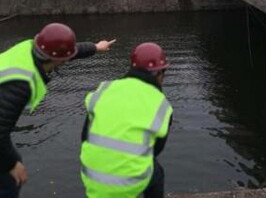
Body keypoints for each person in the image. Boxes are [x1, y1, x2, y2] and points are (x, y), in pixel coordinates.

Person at [0, 22, 116, 198]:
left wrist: (96, 47)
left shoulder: (30, 47)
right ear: (58, 59)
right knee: (10, 178)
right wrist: (11, 165)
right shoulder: (21, 83)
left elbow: (66, 50)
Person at [80, 42, 173, 198]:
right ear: (159, 74)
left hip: (90, 175)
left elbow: (84, 137)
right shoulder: (161, 105)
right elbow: (155, 151)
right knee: (157, 172)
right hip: (129, 184)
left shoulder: (104, 89)